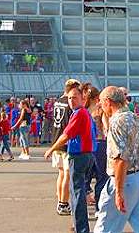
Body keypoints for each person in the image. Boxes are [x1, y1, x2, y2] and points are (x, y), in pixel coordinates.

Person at [94, 86, 139, 233]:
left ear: (108, 102)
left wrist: (119, 191)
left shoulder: (117, 122)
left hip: (124, 179)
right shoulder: (134, 117)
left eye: (102, 103)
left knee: (105, 228)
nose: (101, 107)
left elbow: (121, 158)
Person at [45, 85, 96, 233]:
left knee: (77, 194)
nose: (71, 101)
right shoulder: (82, 113)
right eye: (69, 98)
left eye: (74, 97)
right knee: (77, 191)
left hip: (79, 155)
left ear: (82, 98)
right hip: (84, 154)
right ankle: (79, 225)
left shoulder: (80, 113)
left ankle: (81, 228)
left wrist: (51, 148)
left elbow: (66, 135)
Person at [51, 79, 81, 216]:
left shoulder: (58, 101)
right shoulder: (70, 103)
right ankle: (63, 203)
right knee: (67, 175)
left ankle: (60, 199)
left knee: (61, 173)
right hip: (65, 141)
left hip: (56, 138)